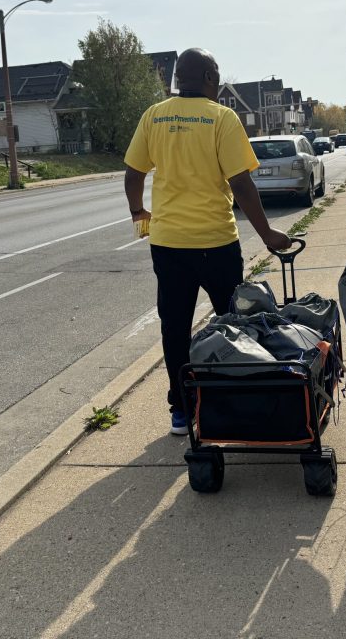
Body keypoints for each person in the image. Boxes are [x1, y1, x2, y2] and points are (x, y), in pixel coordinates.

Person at [125, 48, 292, 435]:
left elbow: (134, 173)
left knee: (175, 326)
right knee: (234, 323)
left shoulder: (153, 115)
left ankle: (182, 410)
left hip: (167, 244)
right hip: (216, 242)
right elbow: (241, 183)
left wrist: (139, 214)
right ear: (209, 77)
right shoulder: (222, 117)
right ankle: (237, 399)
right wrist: (267, 234)